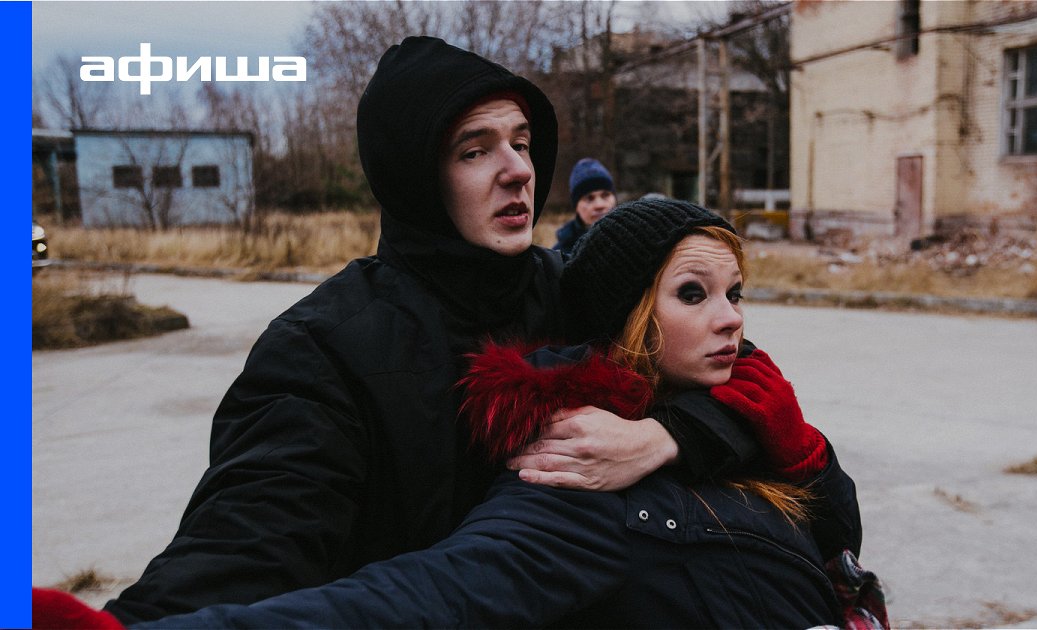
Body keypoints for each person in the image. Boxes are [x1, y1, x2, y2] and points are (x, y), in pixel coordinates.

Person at [96, 38, 766, 624]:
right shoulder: (324, 347)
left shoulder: (579, 288)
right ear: (415, 176)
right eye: (475, 150)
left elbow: (750, 381)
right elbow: (246, 542)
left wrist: (664, 438)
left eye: (522, 143)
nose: (518, 169)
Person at [35, 199, 873, 629]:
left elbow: (835, 537)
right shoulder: (574, 463)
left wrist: (785, 445)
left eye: (736, 292)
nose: (731, 318)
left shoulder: (732, 407)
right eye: (694, 293)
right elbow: (425, 599)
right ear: (629, 316)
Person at [552, 157, 616, 253]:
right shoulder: (561, 255)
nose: (599, 205)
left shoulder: (632, 237)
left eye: (605, 195)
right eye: (589, 198)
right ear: (576, 206)